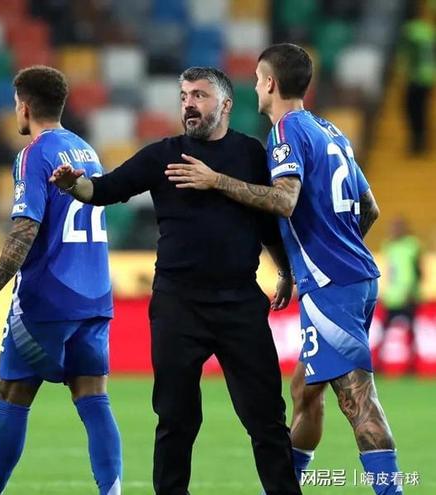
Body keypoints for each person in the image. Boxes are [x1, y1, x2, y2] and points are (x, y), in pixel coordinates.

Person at [50, 66, 300, 495]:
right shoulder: (162, 155)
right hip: (178, 305)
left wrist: (284, 269)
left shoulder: (251, 154)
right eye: (184, 96)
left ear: (225, 104)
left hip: (240, 303)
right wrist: (77, 187)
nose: (188, 104)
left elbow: (266, 222)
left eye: (199, 95)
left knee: (266, 420)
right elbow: (105, 190)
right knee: (175, 420)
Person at [165, 44, 403, 494]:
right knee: (304, 393)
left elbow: (284, 200)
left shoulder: (287, 130)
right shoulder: (329, 130)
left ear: (270, 83)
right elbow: (369, 207)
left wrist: (216, 181)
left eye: (258, 79)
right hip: (352, 276)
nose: (255, 87)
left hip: (333, 284)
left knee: (359, 402)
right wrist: (333, 247)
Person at [0, 65, 122, 495]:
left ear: (23, 106)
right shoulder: (86, 150)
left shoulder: (34, 154)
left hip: (47, 299)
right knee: (93, 397)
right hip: (94, 296)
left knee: (12, 395)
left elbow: (26, 228)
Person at [380, 217, 422, 362]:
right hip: (392, 295)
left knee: (412, 329)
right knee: (385, 329)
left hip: (408, 294)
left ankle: (413, 360)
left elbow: (418, 271)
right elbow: (389, 270)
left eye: (397, 227)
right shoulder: (388, 246)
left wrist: (413, 290)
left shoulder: (412, 245)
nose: (394, 230)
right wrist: (385, 291)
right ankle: (379, 360)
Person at [399, 0, 436, 155]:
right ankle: (421, 141)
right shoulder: (429, 30)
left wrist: (404, 70)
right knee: (419, 109)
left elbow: (410, 53)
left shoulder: (412, 30)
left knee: (413, 109)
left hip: (416, 76)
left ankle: (417, 142)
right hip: (428, 75)